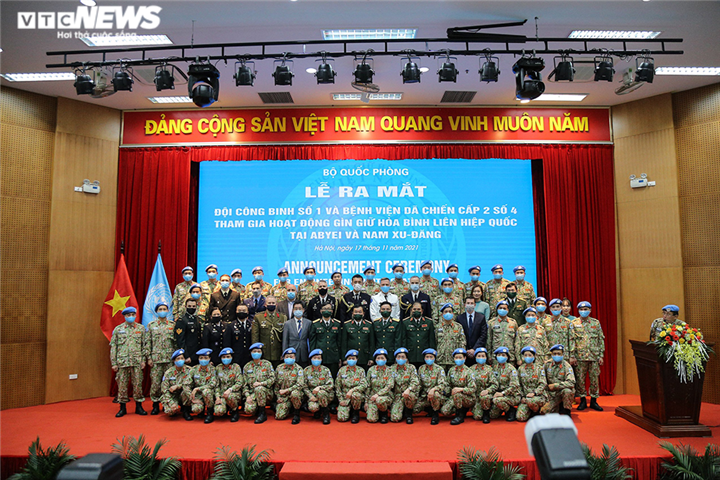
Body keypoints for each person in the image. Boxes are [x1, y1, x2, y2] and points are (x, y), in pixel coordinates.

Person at [110, 306, 147, 417]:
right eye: (128, 315)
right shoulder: (118, 329)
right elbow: (113, 347)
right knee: (122, 385)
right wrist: (114, 363)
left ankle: (139, 407)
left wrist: (143, 360)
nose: (131, 317)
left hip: (136, 361)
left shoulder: (140, 329)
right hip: (122, 361)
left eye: (132, 315)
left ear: (135, 315)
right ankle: (122, 408)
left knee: (137, 385)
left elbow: (144, 346)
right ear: (125, 316)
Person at [573, 301, 605, 412]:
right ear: (578, 311)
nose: (584, 311)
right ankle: (582, 400)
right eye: (581, 309)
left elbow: (600, 339)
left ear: (590, 310)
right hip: (580, 356)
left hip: (594, 356)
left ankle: (593, 401)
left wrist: (601, 355)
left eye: (586, 309)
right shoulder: (574, 323)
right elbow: (572, 340)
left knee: (594, 379)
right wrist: (573, 355)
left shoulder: (595, 323)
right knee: (580, 379)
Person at [145, 302, 176, 415]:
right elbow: (148, 343)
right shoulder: (151, 325)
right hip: (156, 359)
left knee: (169, 382)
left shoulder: (172, 325)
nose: (162, 310)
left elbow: (176, 343)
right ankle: (155, 405)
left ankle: (167, 403)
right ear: (157, 312)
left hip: (169, 359)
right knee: (156, 383)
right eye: (160, 309)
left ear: (168, 311)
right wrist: (149, 358)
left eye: (164, 309)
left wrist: (176, 359)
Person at [441, 348, 476, 425]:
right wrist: (444, 392)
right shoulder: (451, 370)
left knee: (457, 395)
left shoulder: (469, 371)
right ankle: (461, 408)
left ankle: (459, 415)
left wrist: (460, 389)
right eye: (456, 358)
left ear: (465, 358)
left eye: (460, 357)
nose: (458, 359)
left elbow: (473, 389)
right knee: (445, 411)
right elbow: (448, 384)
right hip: (454, 396)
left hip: (468, 397)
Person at [243, 343, 276, 424]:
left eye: (258, 351)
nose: (256, 353)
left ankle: (262, 413)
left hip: (266, 392)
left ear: (262, 353)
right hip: (252, 394)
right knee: (249, 410)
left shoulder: (267, 364)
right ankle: (256, 407)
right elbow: (244, 385)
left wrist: (261, 383)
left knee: (259, 388)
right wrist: (247, 396)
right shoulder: (247, 367)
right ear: (251, 353)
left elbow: (272, 379)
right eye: (254, 351)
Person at [413, 348, 447, 425]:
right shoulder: (421, 368)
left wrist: (433, 389)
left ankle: (435, 414)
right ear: (424, 358)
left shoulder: (439, 369)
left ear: (434, 358)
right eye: (427, 357)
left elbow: (442, 384)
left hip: (436, 395)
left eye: (431, 357)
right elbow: (419, 383)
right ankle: (429, 409)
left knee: (435, 395)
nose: (429, 359)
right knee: (414, 409)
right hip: (425, 395)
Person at [540, 344, 576, 416]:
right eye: (555, 353)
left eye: (559, 354)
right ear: (552, 354)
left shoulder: (566, 366)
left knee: (567, 391)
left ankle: (567, 412)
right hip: (550, 394)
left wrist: (555, 385)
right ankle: (558, 407)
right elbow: (542, 379)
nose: (557, 355)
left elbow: (571, 383)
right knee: (544, 411)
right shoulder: (547, 365)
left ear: (563, 354)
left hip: (561, 392)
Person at [251, 296, 286, 366]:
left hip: (277, 352)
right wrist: (256, 351)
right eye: (269, 303)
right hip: (264, 352)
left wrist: (284, 352)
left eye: (273, 303)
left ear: (276, 305)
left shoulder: (283, 317)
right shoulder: (258, 317)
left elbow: (285, 336)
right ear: (265, 305)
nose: (271, 304)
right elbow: (255, 335)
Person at [309, 303, 342, 377]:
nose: (326, 310)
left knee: (333, 377)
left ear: (332, 311)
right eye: (324, 309)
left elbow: (339, 342)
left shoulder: (337, 324)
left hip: (333, 356)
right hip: (319, 356)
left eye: (328, 309)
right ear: (321, 311)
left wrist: (340, 357)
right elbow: (312, 341)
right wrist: (312, 355)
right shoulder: (315, 324)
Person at [400, 301, 436, 368]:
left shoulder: (429, 322)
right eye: (414, 309)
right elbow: (403, 340)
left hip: (425, 355)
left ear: (422, 311)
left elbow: (431, 340)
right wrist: (404, 355)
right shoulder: (405, 322)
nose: (416, 311)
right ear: (411, 310)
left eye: (418, 309)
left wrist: (432, 355)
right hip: (411, 355)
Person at [516, 346, 547, 422]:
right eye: (525, 355)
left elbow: (543, 384)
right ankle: (529, 411)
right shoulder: (520, 369)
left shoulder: (539, 369)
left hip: (538, 397)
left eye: (530, 355)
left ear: (534, 356)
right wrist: (522, 396)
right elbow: (518, 385)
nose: (527, 357)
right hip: (525, 398)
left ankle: (536, 411)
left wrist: (534, 393)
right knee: (520, 417)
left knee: (531, 401)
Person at [274, 347, 305, 424]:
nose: (289, 358)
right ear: (283, 358)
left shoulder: (299, 369)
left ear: (295, 358)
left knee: (295, 394)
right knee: (279, 416)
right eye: (287, 357)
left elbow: (300, 384)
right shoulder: (279, 368)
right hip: (283, 396)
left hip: (294, 394)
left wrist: (287, 390)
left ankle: (296, 414)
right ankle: (288, 407)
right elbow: (276, 385)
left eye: (291, 357)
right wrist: (278, 397)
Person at [389, 347, 420, 423]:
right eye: (398, 357)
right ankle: (400, 410)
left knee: (411, 396)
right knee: (395, 418)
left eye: (403, 357)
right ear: (396, 358)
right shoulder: (391, 369)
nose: (400, 358)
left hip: (408, 394)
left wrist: (408, 389)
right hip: (397, 396)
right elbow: (389, 384)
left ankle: (409, 414)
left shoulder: (411, 368)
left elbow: (415, 382)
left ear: (406, 358)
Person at [160, 349, 193, 421]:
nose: (180, 360)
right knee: (170, 412)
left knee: (186, 390)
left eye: (182, 358)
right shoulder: (168, 372)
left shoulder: (189, 370)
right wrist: (171, 403)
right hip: (173, 395)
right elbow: (164, 390)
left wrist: (178, 386)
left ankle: (186, 410)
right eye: (178, 359)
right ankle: (174, 407)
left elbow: (190, 384)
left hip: (184, 395)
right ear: (174, 361)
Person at [336, 350, 368, 423]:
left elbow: (363, 385)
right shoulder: (342, 370)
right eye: (349, 358)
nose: (351, 360)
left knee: (355, 394)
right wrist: (341, 400)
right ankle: (348, 410)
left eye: (353, 359)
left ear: (357, 360)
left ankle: (356, 412)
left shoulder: (360, 370)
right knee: (342, 418)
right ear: (346, 360)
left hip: (356, 396)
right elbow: (338, 386)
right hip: (345, 397)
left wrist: (352, 390)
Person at [304, 349, 335, 424]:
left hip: (326, 395)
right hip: (313, 396)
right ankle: (318, 411)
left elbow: (331, 384)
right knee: (313, 408)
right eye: (314, 358)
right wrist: (311, 396)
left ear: (321, 359)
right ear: (311, 359)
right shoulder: (306, 370)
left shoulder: (326, 370)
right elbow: (304, 386)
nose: (316, 360)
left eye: (319, 358)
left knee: (321, 393)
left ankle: (325, 413)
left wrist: (320, 388)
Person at [489, 346, 520, 421]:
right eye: (499, 355)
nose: (501, 357)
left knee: (497, 401)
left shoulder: (511, 369)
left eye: (503, 355)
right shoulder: (494, 368)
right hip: (498, 395)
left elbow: (514, 386)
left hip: (512, 395)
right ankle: (503, 408)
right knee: (492, 415)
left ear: (507, 357)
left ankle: (510, 410)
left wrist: (502, 393)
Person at [364, 348, 395, 423]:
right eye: (378, 358)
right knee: (371, 419)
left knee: (380, 400)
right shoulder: (371, 370)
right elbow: (368, 386)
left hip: (386, 396)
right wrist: (366, 401)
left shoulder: (390, 370)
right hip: (372, 397)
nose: (380, 360)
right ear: (375, 359)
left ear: (386, 359)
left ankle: (384, 414)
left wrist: (378, 394)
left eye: (382, 358)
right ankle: (376, 412)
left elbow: (390, 385)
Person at [214, 347, 244, 422]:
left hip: (234, 394)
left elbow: (239, 382)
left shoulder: (236, 367)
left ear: (231, 357)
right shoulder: (218, 368)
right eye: (223, 357)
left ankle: (234, 410)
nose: (226, 358)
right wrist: (217, 397)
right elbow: (216, 385)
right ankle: (225, 408)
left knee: (230, 396)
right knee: (219, 412)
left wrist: (230, 390)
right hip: (222, 395)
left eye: (228, 357)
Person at [469, 348, 498, 423]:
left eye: (483, 356)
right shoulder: (471, 369)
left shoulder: (489, 369)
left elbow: (495, 384)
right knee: (477, 416)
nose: (481, 358)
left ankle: (486, 413)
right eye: (479, 356)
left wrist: (487, 390)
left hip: (485, 396)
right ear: (475, 357)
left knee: (492, 414)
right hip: (475, 397)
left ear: (486, 358)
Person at [189, 348, 218, 423]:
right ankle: (200, 411)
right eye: (201, 358)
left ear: (209, 359)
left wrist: (198, 388)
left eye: (206, 358)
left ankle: (210, 412)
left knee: (206, 391)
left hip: (209, 395)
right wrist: (192, 398)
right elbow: (186, 384)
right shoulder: (194, 369)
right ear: (198, 359)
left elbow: (212, 384)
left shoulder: (213, 369)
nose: (203, 360)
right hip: (198, 396)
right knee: (196, 409)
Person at [542, 299, 576, 364]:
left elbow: (571, 339)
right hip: (550, 355)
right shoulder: (545, 322)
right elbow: (543, 339)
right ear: (550, 308)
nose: (555, 309)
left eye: (557, 306)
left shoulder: (567, 322)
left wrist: (572, 356)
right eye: (553, 307)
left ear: (561, 308)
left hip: (564, 355)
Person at [435, 303, 467, 370]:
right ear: (442, 314)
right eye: (446, 312)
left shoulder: (458, 327)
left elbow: (462, 342)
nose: (448, 313)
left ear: (453, 314)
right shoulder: (437, 327)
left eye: (450, 311)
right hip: (441, 360)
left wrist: (461, 356)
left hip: (454, 359)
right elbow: (434, 342)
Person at [175, 297, 202, 367]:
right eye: (189, 306)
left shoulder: (197, 319)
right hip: (188, 355)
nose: (191, 308)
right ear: (185, 307)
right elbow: (180, 340)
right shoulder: (182, 320)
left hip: (197, 354)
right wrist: (186, 355)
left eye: (193, 306)